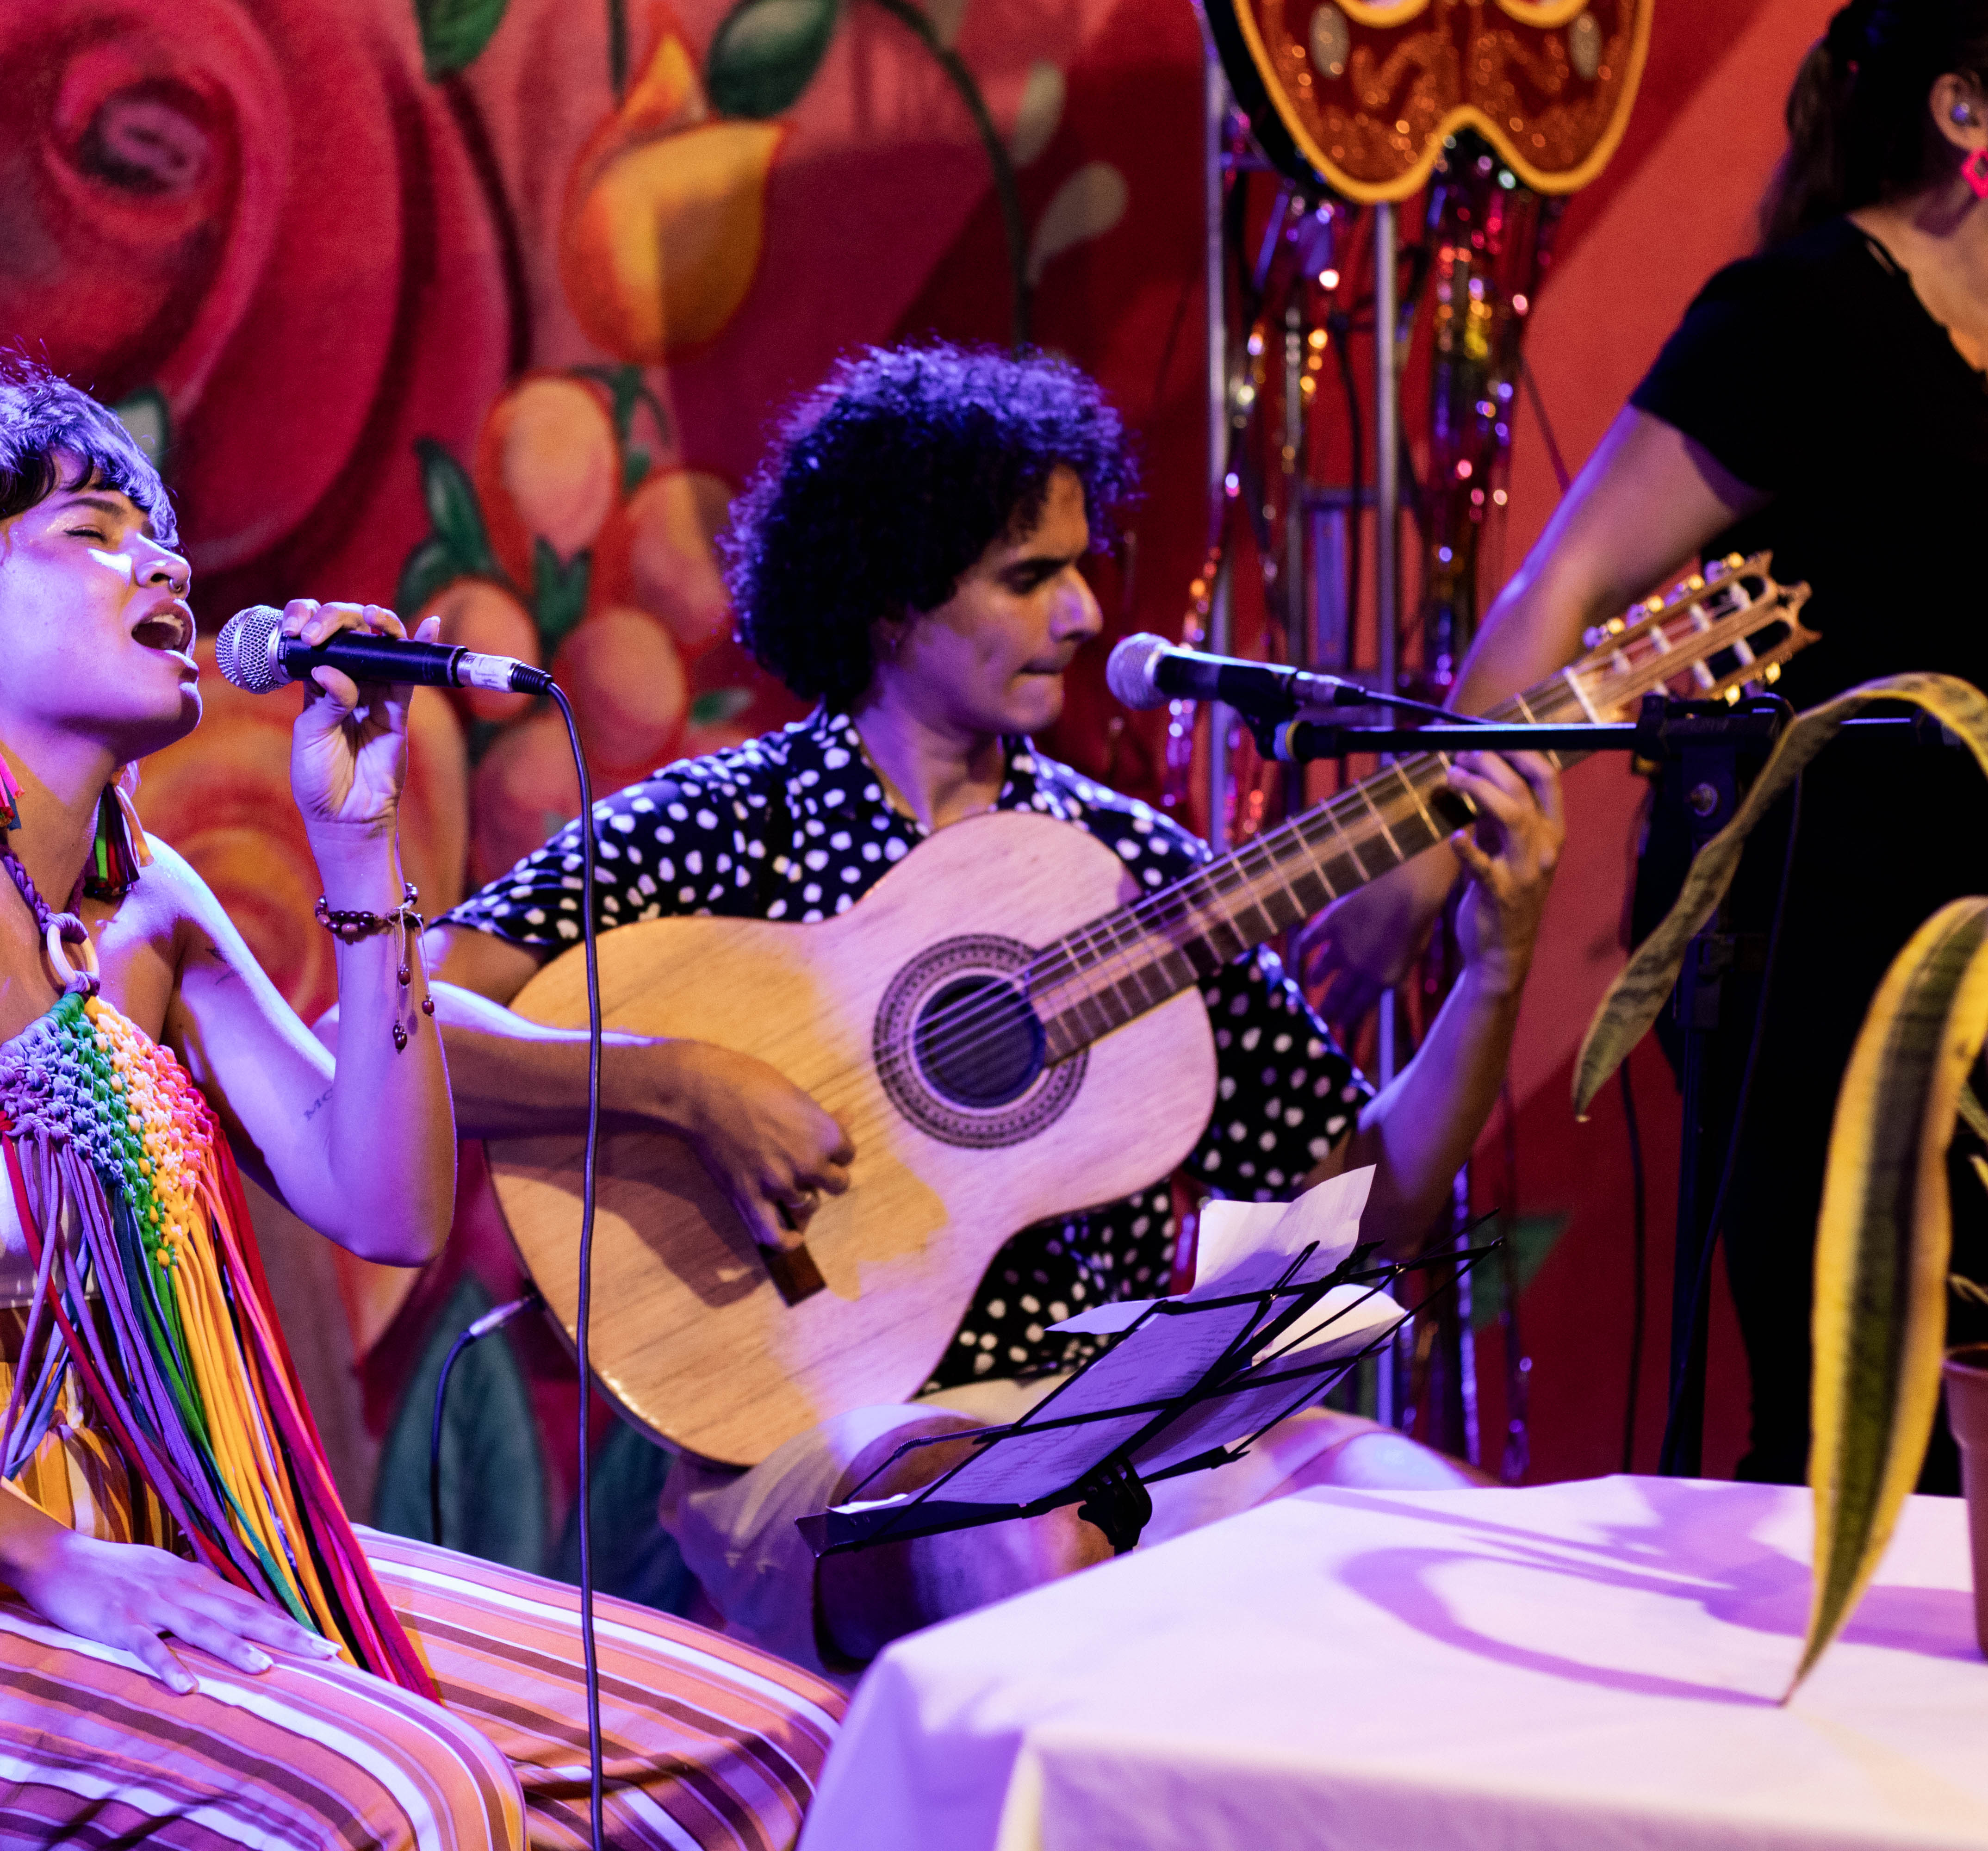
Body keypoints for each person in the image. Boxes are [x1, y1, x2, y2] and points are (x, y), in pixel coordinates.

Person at [0, 354, 840, 1851]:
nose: (169, 565)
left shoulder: (152, 912)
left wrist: (360, 849)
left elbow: (389, 1206)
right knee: (414, 1798)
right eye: (93, 532)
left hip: (178, 1551)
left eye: (161, 534)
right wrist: (47, 1557)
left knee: (783, 1749)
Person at [425, 342, 1567, 1677]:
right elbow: (407, 1034)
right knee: (1024, 1537)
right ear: (891, 603)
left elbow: (1357, 1218)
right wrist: (683, 1083)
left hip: (1114, 1416)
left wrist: (1493, 974)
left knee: (1458, 1536)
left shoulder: (1129, 871)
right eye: (1029, 579)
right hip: (824, 1425)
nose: (1084, 614)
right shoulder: (729, 826)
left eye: (1081, 568)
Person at [1296, 0, 1988, 1487]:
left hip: (1976, 933)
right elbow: (1567, 585)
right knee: (1861, 1402)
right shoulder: (1809, 316)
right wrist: (1424, 847)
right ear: (1964, 112)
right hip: (1822, 930)